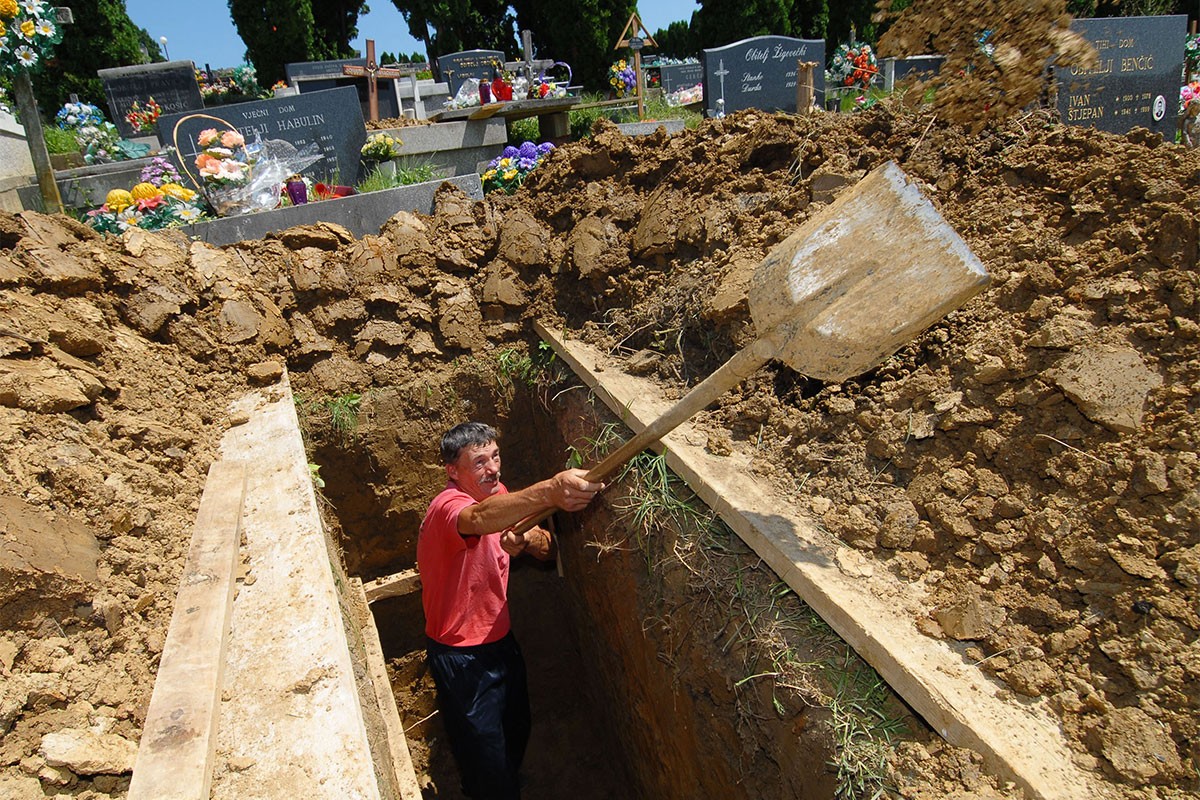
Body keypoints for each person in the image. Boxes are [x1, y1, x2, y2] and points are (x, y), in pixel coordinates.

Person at [418, 421, 603, 800]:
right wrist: (551, 489)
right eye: (479, 461)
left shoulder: (500, 494)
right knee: (486, 759)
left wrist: (529, 540)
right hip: (460, 657)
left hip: (501, 641)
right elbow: (480, 519)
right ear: (453, 471)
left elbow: (550, 549)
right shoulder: (447, 507)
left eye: (496, 456)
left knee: (516, 729)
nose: (493, 468)